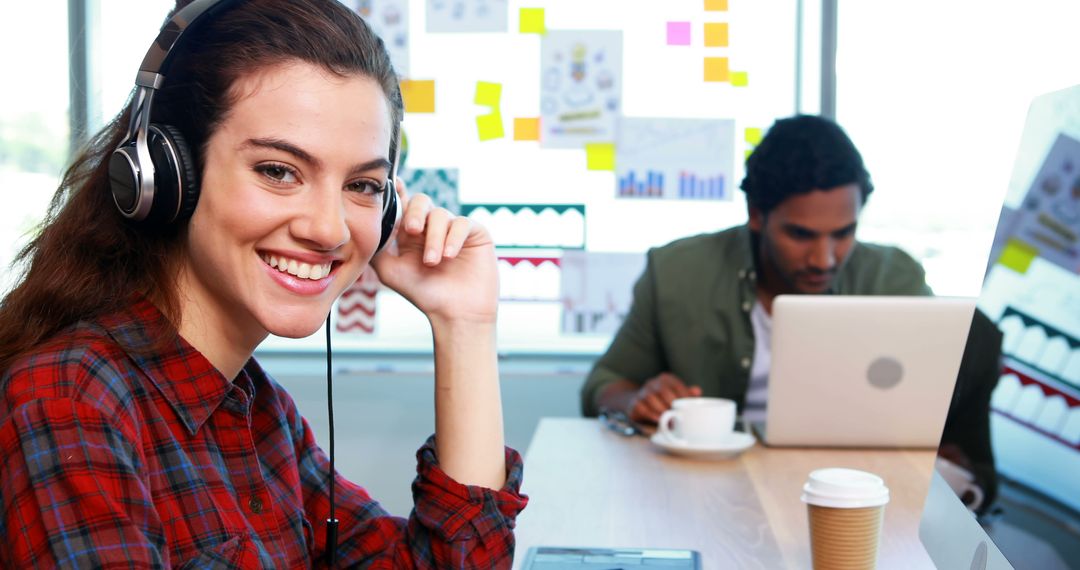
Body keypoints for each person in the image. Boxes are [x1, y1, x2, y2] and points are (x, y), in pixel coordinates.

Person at [0, 1, 525, 567]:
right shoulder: (68, 400)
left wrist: (465, 324)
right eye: (278, 171)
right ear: (168, 174)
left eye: (364, 185)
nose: (328, 229)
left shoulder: (257, 408)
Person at [581, 114, 932, 424]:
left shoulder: (896, 278)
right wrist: (637, 401)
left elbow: (939, 389)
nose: (824, 259)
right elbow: (603, 385)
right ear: (756, 214)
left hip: (856, 480)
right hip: (710, 477)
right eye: (800, 234)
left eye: (843, 233)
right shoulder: (676, 272)